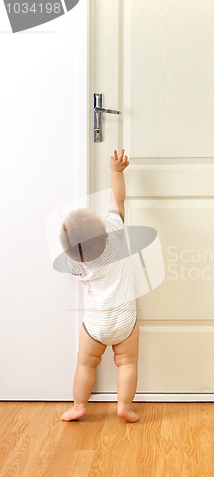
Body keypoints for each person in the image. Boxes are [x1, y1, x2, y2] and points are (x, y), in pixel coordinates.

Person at [59, 149, 139, 423]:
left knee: (85, 363)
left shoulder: (79, 263)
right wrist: (117, 172)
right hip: (125, 322)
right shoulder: (115, 233)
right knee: (127, 363)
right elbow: (118, 201)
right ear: (104, 230)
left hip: (95, 325)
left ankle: (79, 405)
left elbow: (71, 264)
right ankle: (124, 407)